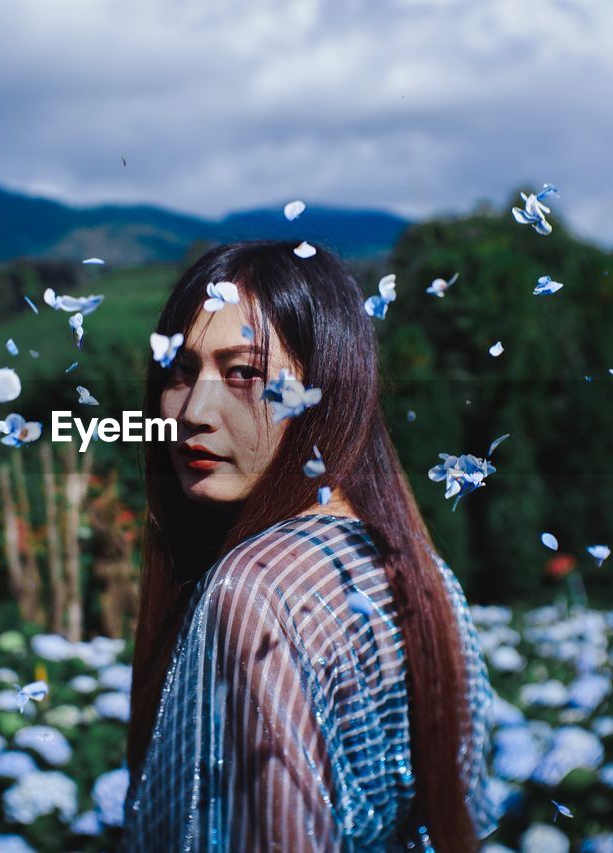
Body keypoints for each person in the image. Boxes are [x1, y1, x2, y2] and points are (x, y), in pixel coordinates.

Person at [121, 240, 500, 852]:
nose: (194, 410)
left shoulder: (253, 589)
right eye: (181, 372)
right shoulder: (420, 571)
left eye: (243, 372)